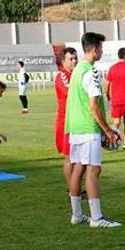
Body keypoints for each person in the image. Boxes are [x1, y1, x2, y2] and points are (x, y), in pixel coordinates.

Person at [65, 32, 122, 228]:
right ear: (95, 48)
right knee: (93, 170)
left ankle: (77, 215)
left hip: (75, 127)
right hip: (88, 128)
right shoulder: (91, 71)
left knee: (78, 168)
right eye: (101, 48)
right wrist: (107, 130)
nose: (102, 51)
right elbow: (94, 106)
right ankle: (97, 218)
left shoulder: (77, 69)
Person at [55, 47, 78, 187]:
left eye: (76, 58)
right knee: (70, 157)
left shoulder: (75, 75)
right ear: (63, 61)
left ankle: (75, 188)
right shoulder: (63, 75)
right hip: (67, 122)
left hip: (76, 120)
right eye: (71, 58)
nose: (74, 61)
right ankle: (72, 189)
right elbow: (72, 93)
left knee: (77, 158)